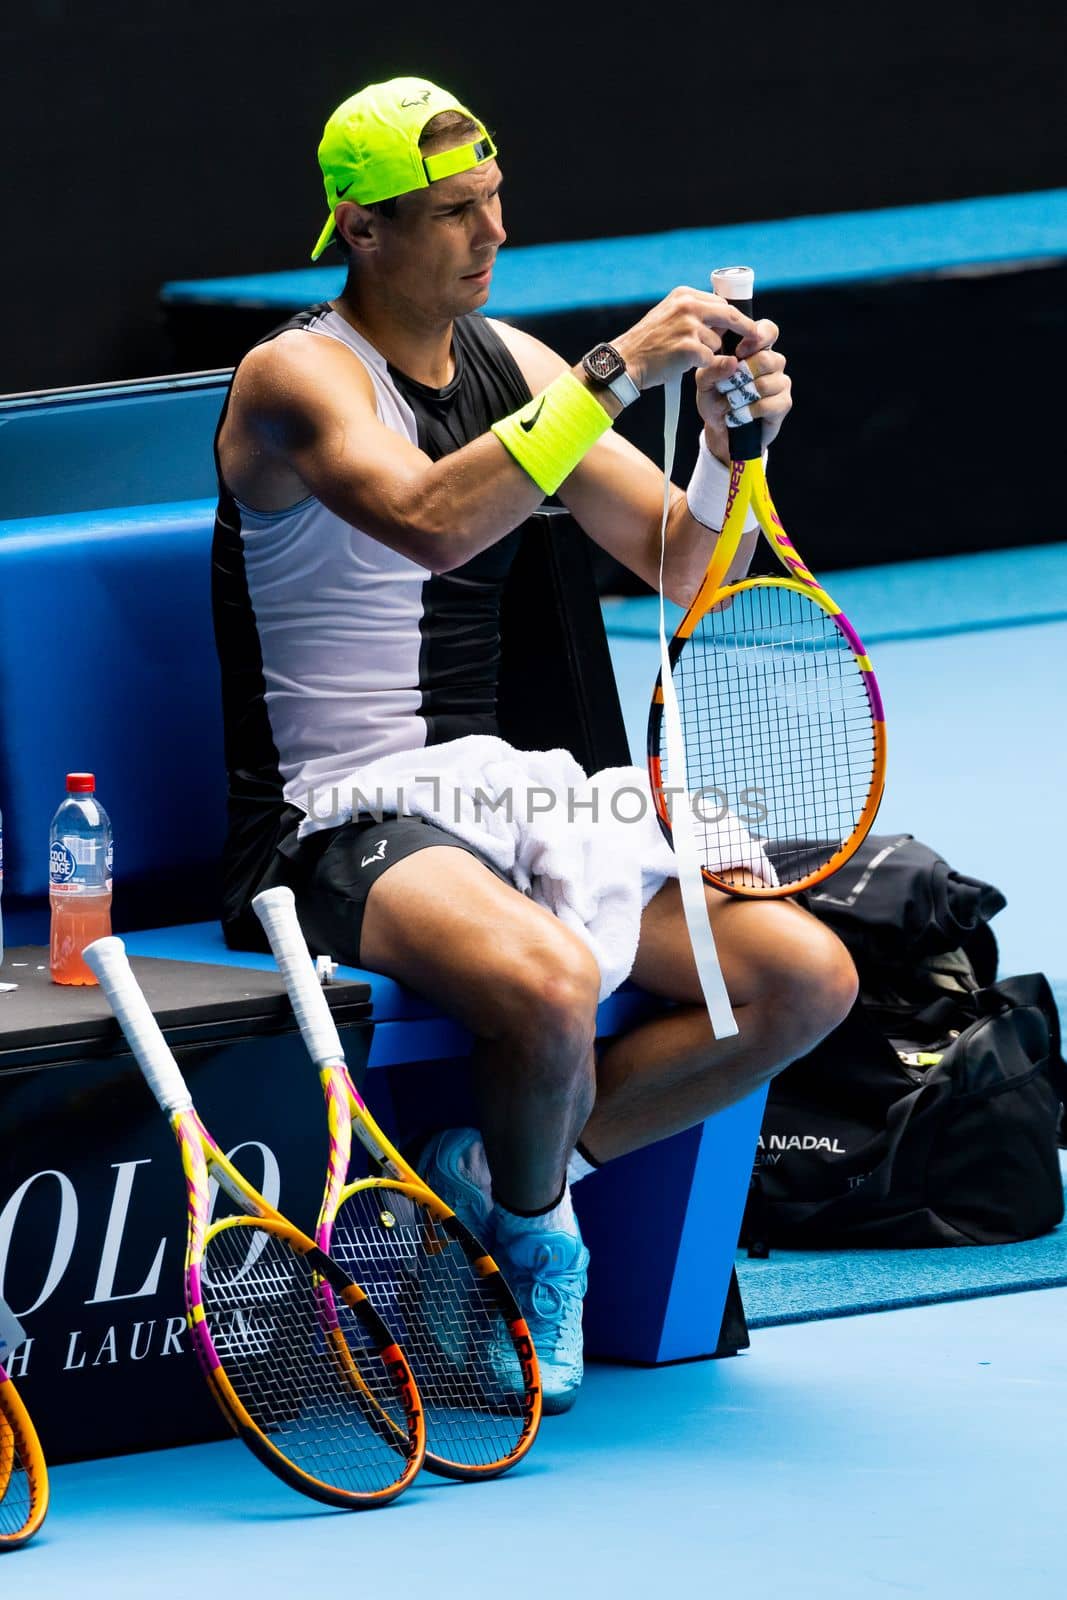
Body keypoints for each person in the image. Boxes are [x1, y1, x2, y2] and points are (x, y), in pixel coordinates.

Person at [211, 76, 859, 1412]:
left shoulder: (513, 364)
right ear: (362, 230)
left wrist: (740, 448)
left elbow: (685, 566)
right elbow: (433, 520)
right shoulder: (295, 377)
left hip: (496, 791)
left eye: (496, 203)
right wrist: (620, 370)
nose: (488, 234)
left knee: (805, 978)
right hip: (334, 813)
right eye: (452, 213)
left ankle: (509, 1181)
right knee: (554, 984)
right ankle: (529, 1246)